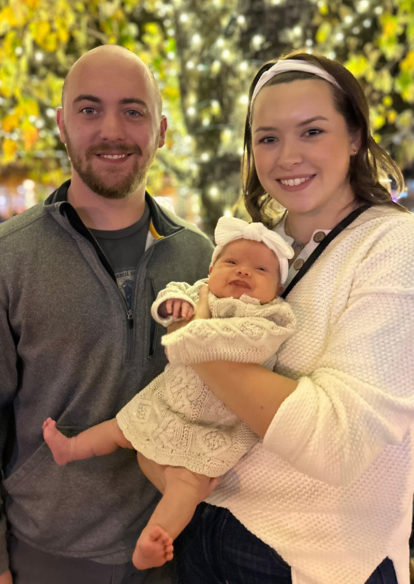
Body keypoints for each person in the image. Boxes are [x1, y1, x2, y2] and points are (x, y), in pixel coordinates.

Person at [172, 50, 414, 584]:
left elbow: (337, 440)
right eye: (268, 138)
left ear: (354, 137)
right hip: (206, 526)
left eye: (312, 131)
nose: (287, 157)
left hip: (311, 559)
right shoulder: (264, 251)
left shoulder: (393, 244)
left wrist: (194, 340)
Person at [0, 44, 214, 584]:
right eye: (89, 109)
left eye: (133, 111)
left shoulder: (203, 261)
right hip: (45, 560)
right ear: (62, 125)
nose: (112, 130)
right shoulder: (8, 258)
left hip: (175, 554)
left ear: (161, 130)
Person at [42, 215, 296, 571]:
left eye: (260, 270)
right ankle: (70, 448)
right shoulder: (202, 291)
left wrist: (198, 327)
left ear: (279, 289)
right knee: (121, 428)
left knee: (186, 486)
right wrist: (174, 307)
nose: (243, 272)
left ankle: (153, 539)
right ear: (211, 268)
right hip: (168, 400)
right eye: (232, 262)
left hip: (212, 426)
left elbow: (249, 347)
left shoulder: (271, 317)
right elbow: (171, 296)